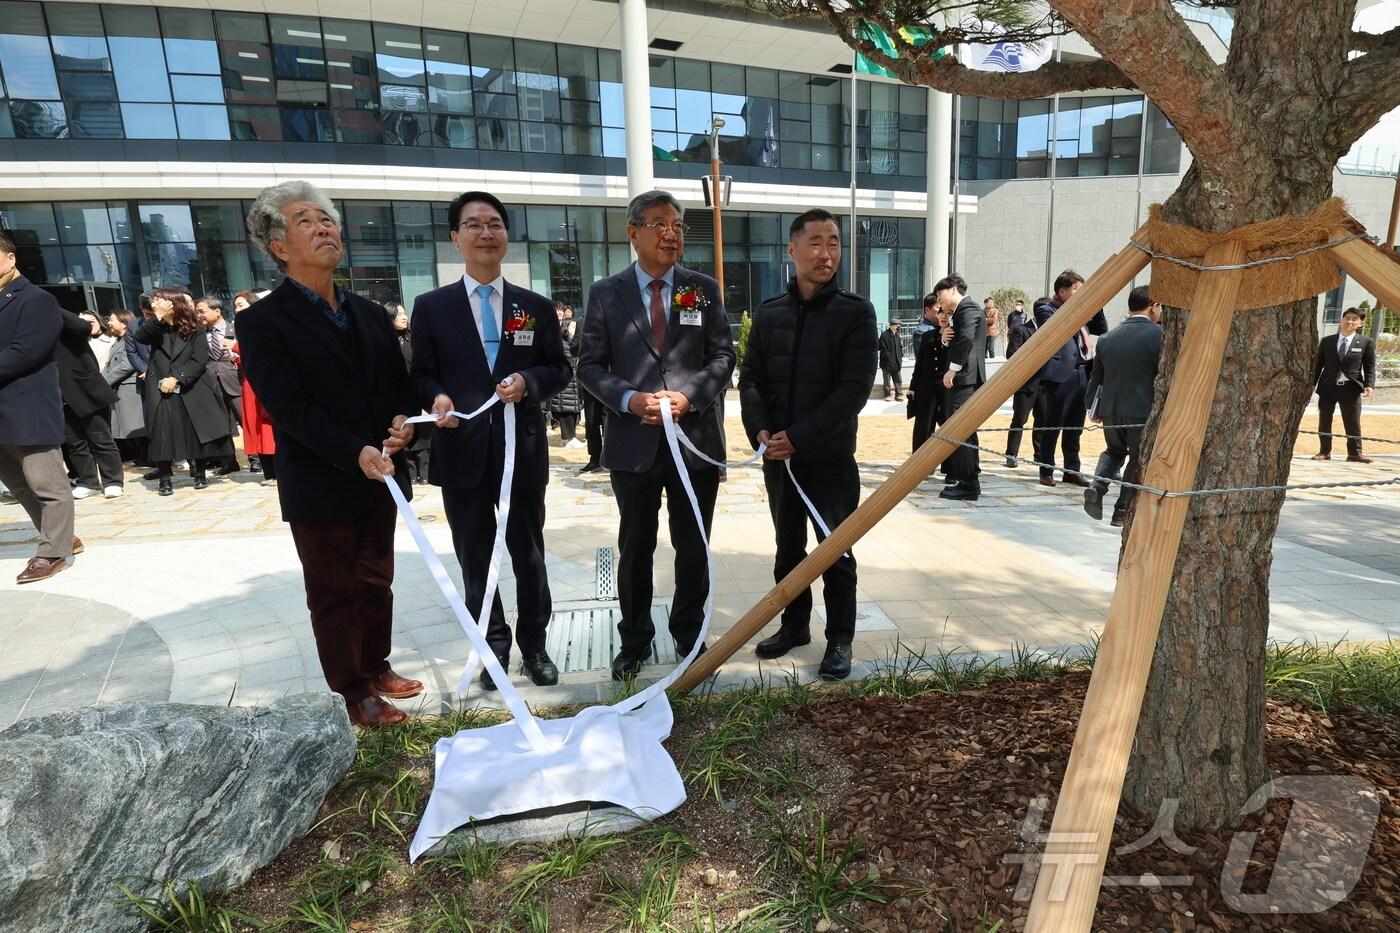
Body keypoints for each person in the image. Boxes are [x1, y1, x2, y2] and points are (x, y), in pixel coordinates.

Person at [238, 179, 423, 728]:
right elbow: (289, 408)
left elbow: (398, 387)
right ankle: (351, 689)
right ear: (277, 246)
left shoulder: (368, 313)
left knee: (376, 580)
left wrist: (400, 425)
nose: (324, 229)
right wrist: (355, 449)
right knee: (333, 589)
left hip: (379, 473)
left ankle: (376, 665)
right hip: (321, 478)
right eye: (305, 221)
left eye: (327, 219)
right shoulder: (262, 321)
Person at [411, 190, 570, 690]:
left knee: (529, 554)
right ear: (456, 237)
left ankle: (536, 646)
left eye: (495, 224)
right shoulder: (431, 307)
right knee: (475, 556)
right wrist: (436, 399)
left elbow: (560, 368)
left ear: (506, 235)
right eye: (474, 225)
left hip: (520, 448)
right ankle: (492, 648)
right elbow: (421, 373)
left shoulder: (533, 307)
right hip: (460, 449)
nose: (486, 233)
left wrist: (529, 384)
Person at [578, 189, 735, 680]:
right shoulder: (607, 293)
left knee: (694, 546)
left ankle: (689, 634)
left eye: (678, 226)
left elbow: (722, 357)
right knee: (635, 547)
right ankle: (634, 639)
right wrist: (629, 398)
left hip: (695, 443)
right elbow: (588, 365)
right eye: (659, 224)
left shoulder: (701, 288)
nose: (671, 234)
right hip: (634, 444)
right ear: (633, 233)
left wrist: (688, 396)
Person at [739, 208, 877, 680]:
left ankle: (839, 639)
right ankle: (794, 625)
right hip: (779, 459)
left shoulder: (856, 313)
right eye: (816, 242)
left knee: (836, 551)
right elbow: (751, 378)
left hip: (829, 459)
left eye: (834, 242)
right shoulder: (771, 312)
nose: (827, 253)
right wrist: (760, 430)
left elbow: (853, 391)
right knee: (787, 549)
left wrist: (798, 438)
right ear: (792, 250)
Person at [0, 230, 80, 584]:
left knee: (46, 483)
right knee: (18, 486)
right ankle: (63, 537)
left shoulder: (37, 300)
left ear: (10, 257)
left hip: (26, 406)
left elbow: (24, 353)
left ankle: (52, 551)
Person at [134, 290, 234, 496]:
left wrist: (177, 378)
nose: (155, 303)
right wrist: (159, 317)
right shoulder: (155, 326)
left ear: (173, 303)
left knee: (193, 428)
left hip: (190, 384)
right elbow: (140, 338)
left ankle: (199, 473)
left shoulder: (194, 327)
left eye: (159, 300)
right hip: (160, 385)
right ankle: (164, 478)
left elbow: (199, 359)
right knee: (162, 430)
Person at [1084, 287, 1163, 526]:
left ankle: (1098, 486)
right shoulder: (1160, 335)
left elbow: (1096, 378)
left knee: (1114, 451)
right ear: (1153, 305)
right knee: (1138, 459)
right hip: (1142, 408)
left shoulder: (1108, 337)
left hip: (1111, 408)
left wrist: (1092, 408)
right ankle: (1121, 510)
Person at [1032, 270, 1105, 488]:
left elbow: (1101, 329)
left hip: (1082, 373)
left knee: (1075, 427)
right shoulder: (1046, 309)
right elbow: (1060, 328)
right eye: (1076, 290)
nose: (1080, 294)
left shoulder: (1082, 311)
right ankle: (1046, 470)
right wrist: (1082, 307)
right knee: (1052, 425)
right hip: (1058, 376)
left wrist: (1096, 302)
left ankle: (1072, 470)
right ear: (1061, 291)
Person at [56, 306, 122, 499]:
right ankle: (89, 481)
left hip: (85, 389)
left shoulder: (69, 330)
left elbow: (82, 327)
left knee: (101, 439)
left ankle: (113, 481)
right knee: (74, 443)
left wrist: (50, 305)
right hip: (58, 394)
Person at [931, 274, 988, 501]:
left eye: (939, 295)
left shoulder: (969, 308)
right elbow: (956, 340)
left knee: (960, 428)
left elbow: (965, 340)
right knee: (963, 429)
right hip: (962, 378)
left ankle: (968, 483)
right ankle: (968, 480)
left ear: (953, 289)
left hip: (965, 378)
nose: (938, 302)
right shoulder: (959, 313)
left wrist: (953, 369)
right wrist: (944, 338)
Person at [1312, 306, 1377, 463]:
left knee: (1352, 420)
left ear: (1361, 323)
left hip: (1351, 387)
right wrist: (1311, 384)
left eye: (1355, 319)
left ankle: (1355, 453)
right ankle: (1324, 452)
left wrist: (1369, 385)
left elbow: (1369, 366)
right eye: (1347, 318)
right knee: (1325, 419)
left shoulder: (1366, 342)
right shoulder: (1327, 341)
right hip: (1328, 387)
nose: (1350, 321)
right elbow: (1318, 364)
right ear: (1341, 320)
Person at [230, 290, 278, 485]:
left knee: (267, 426)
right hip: (249, 383)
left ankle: (277, 472)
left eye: (241, 305)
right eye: (235, 306)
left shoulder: (266, 324)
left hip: (265, 382)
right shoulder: (243, 326)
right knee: (254, 425)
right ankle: (268, 471)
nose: (237, 309)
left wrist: (236, 347)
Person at [198, 296, 242, 474]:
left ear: (217, 311)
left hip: (234, 381)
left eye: (202, 311)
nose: (198, 315)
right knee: (222, 425)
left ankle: (256, 460)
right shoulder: (200, 333)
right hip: (212, 383)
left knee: (244, 419)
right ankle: (229, 462)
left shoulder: (235, 328)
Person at [389, 302, 432, 484]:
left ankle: (425, 473)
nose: (404, 317)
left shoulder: (413, 338)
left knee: (423, 439)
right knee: (404, 439)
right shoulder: (387, 340)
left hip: (418, 394)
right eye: (399, 315)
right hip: (398, 399)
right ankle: (412, 474)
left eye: (404, 313)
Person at [102, 309, 147, 465]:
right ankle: (140, 457)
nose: (108, 322)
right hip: (119, 387)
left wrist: (104, 381)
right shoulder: (118, 341)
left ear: (124, 322)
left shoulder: (131, 339)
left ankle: (147, 458)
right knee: (126, 427)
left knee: (136, 425)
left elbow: (126, 365)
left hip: (129, 388)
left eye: (112, 319)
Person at [907, 299, 953, 450]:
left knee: (948, 424)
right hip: (927, 386)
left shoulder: (955, 336)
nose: (944, 316)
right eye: (941, 312)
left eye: (949, 313)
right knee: (924, 425)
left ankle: (949, 466)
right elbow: (920, 364)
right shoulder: (927, 336)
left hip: (947, 386)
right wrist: (913, 387)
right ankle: (919, 463)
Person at [1003, 296, 1041, 468]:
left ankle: (1040, 456)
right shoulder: (1021, 330)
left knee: (1043, 421)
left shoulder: (1053, 330)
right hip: (1026, 384)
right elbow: (1011, 354)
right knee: (1019, 419)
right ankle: (1011, 454)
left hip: (1046, 384)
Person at [550, 305, 585, 446]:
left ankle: (570, 437)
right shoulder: (555, 333)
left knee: (571, 407)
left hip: (572, 371)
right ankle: (567, 438)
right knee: (565, 407)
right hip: (564, 372)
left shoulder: (569, 331)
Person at [878, 320, 904, 401]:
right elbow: (882, 349)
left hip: (897, 362)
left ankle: (898, 395)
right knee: (887, 381)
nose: (899, 326)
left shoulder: (897, 335)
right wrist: (888, 357)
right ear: (893, 325)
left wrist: (900, 357)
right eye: (898, 325)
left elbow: (900, 348)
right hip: (887, 363)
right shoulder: (884, 335)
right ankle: (887, 395)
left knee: (898, 380)